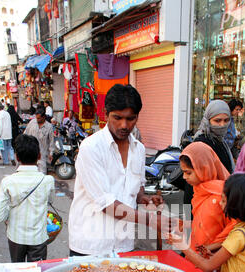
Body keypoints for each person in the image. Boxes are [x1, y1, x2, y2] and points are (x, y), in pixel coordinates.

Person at [68, 84, 171, 257]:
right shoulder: (91, 148)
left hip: (124, 243)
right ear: (106, 114)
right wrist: (151, 221)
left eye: (130, 119)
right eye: (117, 118)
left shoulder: (138, 149)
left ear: (137, 117)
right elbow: (106, 204)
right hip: (91, 244)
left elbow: (136, 187)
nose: (124, 125)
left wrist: (144, 198)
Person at [0, 134, 55, 262]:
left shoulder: (8, 182)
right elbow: (50, 201)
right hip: (38, 239)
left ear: (17, 156)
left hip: (16, 237)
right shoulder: (47, 181)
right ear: (38, 156)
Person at [179, 141, 236, 252]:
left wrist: (209, 248)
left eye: (188, 173)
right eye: (183, 172)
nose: (184, 177)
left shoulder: (223, 195)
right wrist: (185, 224)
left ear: (203, 168)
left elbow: (233, 231)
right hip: (197, 253)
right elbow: (205, 223)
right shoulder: (199, 191)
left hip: (214, 258)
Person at [193, 99, 235, 173]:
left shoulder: (220, 141)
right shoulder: (201, 143)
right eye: (217, 121)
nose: (222, 125)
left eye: (226, 120)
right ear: (207, 121)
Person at [24, 106, 55, 174]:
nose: (37, 120)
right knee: (31, 172)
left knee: (42, 172)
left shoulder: (49, 126)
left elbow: (51, 141)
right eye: (36, 118)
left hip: (42, 153)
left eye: (39, 118)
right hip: (31, 152)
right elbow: (25, 134)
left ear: (44, 117)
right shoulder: (32, 123)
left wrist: (51, 153)